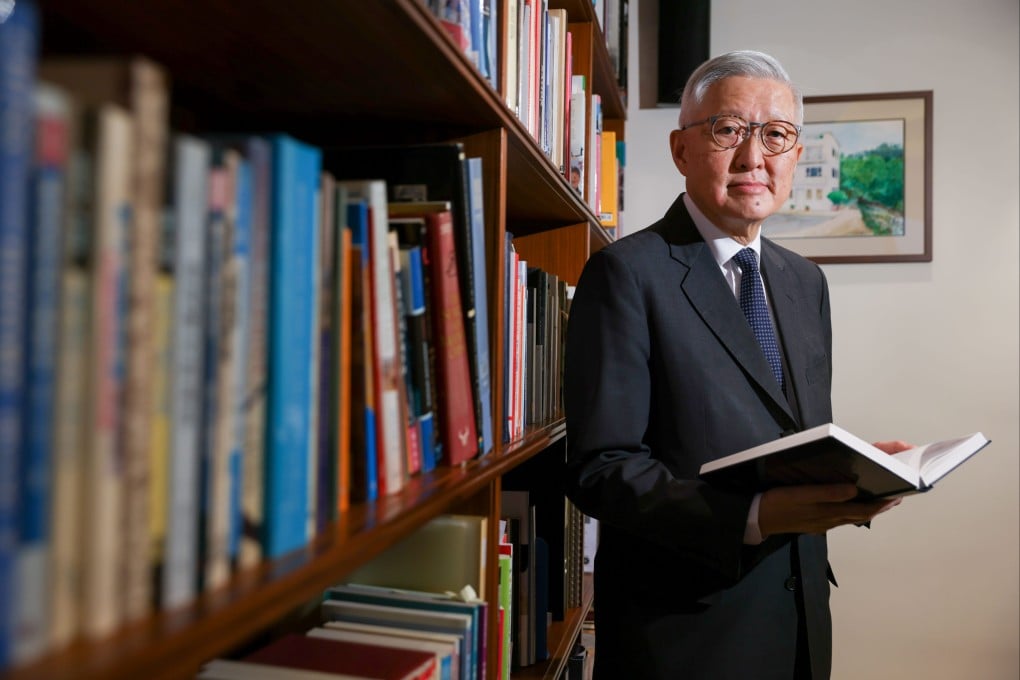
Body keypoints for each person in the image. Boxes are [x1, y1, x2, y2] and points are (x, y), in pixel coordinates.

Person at [562, 50, 909, 679]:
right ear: (681, 150)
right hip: (685, 633)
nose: (755, 158)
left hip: (799, 616)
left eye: (776, 135)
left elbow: (789, 434)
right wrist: (751, 516)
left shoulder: (804, 281)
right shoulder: (626, 274)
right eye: (728, 130)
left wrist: (855, 476)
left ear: (796, 156)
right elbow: (601, 469)